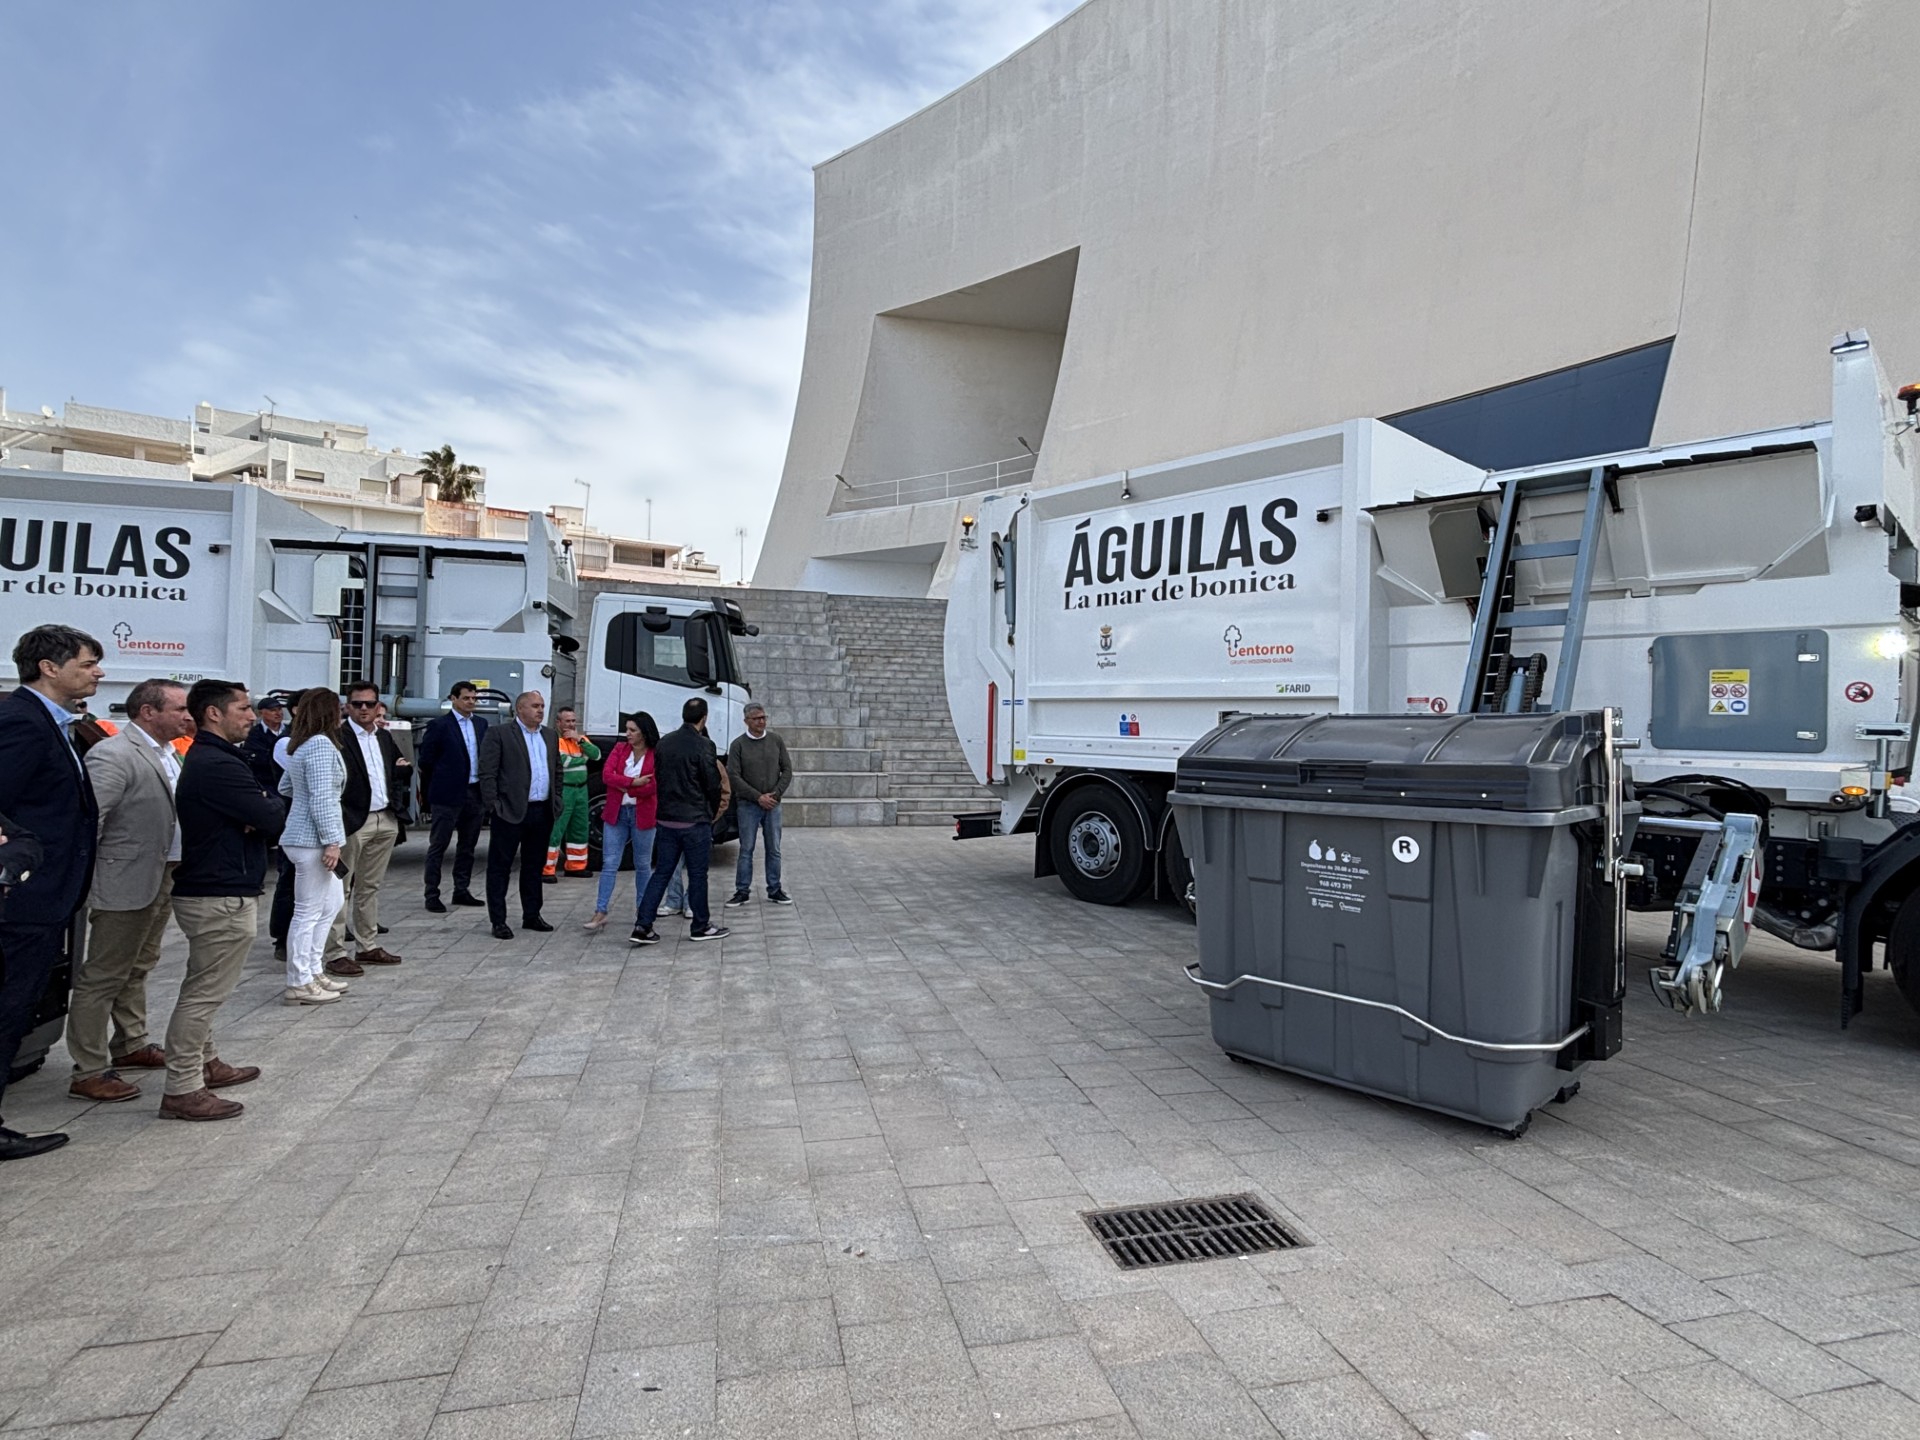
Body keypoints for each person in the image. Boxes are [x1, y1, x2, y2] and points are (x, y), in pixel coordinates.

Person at [0, 625, 104, 1159]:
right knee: (8, 1003)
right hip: (23, 897)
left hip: (46, 894)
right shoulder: (21, 722)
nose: (97, 672)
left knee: (18, 1004)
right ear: (49, 666)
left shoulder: (55, 724)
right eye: (88, 664)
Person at [66, 678, 194, 1103]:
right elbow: (91, 822)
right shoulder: (114, 754)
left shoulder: (170, 752)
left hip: (161, 874)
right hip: (124, 881)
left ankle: (131, 1043)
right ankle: (88, 1068)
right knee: (103, 974)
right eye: (178, 709)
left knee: (139, 965)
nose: (186, 715)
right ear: (148, 712)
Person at [162, 679, 283, 1121]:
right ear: (214, 713)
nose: (252, 717)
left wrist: (259, 810)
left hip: (222, 886)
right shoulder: (218, 763)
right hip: (218, 893)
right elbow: (271, 815)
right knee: (203, 994)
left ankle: (205, 1062)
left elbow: (264, 811)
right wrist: (261, 810)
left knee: (205, 987)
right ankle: (182, 1086)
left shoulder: (218, 759)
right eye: (244, 709)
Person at [631, 696, 730, 946]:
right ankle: (700, 925)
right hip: (694, 821)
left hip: (666, 819)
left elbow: (661, 779)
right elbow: (712, 783)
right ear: (704, 718)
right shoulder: (704, 745)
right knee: (698, 875)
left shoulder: (665, 743)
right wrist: (709, 812)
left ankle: (643, 925)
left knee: (662, 872)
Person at [325, 681, 408, 978]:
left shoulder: (384, 737)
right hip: (352, 821)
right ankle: (334, 952)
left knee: (370, 886)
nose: (363, 709)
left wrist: (395, 806)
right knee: (340, 888)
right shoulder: (337, 737)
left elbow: (399, 769)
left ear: (378, 706)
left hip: (383, 817)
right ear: (347, 706)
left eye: (368, 704)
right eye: (357, 703)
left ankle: (367, 944)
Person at [278, 688, 349, 1006]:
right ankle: (299, 980)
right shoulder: (320, 744)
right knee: (308, 911)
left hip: (304, 835)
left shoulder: (300, 744)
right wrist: (331, 840)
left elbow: (286, 786)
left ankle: (312, 969)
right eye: (339, 707)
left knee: (330, 904)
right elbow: (322, 797)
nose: (342, 712)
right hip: (313, 840)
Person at [477, 690, 562, 940]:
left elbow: (556, 770)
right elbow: (487, 772)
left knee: (534, 866)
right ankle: (499, 920)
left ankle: (532, 914)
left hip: (541, 809)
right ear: (520, 709)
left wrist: (556, 800)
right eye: (535, 706)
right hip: (510, 811)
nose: (540, 710)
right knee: (500, 867)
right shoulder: (500, 734)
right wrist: (493, 805)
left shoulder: (549, 735)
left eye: (542, 706)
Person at [416, 681, 488, 913]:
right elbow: (426, 760)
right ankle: (432, 893)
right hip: (447, 793)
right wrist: (443, 777)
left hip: (473, 791)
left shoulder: (481, 724)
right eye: (466, 698)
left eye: (474, 699)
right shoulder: (440, 725)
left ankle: (461, 889)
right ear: (454, 699)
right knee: (439, 844)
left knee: (468, 845)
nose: (471, 702)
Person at [584, 712, 657, 932]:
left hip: (642, 813)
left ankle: (642, 909)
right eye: (627, 729)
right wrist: (632, 782)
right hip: (617, 812)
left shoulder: (655, 754)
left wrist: (624, 785)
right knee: (610, 862)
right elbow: (607, 775)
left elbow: (652, 786)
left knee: (643, 863)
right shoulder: (620, 749)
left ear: (644, 733)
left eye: (632, 730)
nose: (628, 734)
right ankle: (601, 910)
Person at [725, 702, 795, 907]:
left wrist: (775, 794)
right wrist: (757, 797)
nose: (761, 721)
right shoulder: (738, 745)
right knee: (746, 848)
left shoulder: (776, 740)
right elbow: (734, 776)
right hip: (748, 805)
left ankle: (775, 889)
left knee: (774, 848)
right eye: (757, 718)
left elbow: (787, 770)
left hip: (773, 804)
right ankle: (742, 890)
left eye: (764, 717)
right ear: (746, 721)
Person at [659, 724, 731, 917]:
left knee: (696, 869)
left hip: (700, 823)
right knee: (672, 865)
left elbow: (723, 792)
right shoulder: (677, 758)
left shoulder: (714, 763)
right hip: (677, 820)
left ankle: (692, 902)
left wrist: (711, 816)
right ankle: (674, 900)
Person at [246, 694, 296, 963]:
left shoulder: (290, 735)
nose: (277, 714)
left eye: (280, 710)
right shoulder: (262, 738)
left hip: (283, 806)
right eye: (272, 710)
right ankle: (281, 937)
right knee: (286, 877)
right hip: (272, 802)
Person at [544, 707, 602, 881]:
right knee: (557, 829)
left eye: (573, 721)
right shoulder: (555, 741)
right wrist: (583, 758)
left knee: (580, 829)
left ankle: (576, 866)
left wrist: (580, 741)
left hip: (581, 789)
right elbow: (563, 762)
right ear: (558, 723)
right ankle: (547, 869)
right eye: (567, 721)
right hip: (565, 789)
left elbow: (597, 755)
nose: (571, 724)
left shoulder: (580, 739)